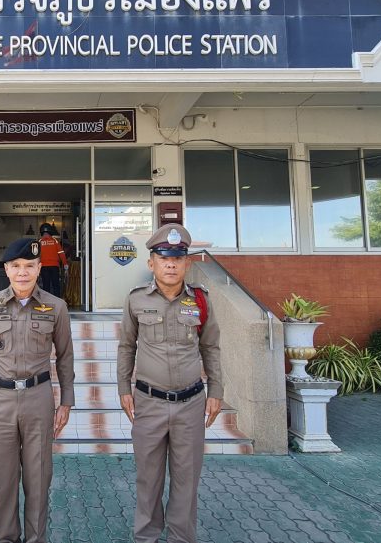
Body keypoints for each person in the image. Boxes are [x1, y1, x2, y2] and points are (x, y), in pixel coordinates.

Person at [117, 223, 223, 543]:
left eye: (177, 258)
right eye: (164, 258)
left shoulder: (200, 300)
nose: (171, 265)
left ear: (187, 263)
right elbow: (126, 346)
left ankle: (181, 538)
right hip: (149, 402)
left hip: (191, 404)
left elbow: (211, 347)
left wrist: (216, 390)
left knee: (186, 481)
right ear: (152, 263)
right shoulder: (136, 299)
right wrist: (123, 388)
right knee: (148, 480)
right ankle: (146, 537)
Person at [0, 237, 75, 543]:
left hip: (39, 397)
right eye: (16, 266)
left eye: (29, 266)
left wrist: (66, 400)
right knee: (3, 477)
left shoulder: (56, 307)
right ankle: (6, 537)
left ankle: (36, 538)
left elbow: (65, 356)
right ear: (6, 269)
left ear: (40, 268)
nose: (23, 272)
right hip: (0, 398)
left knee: (38, 477)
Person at [37, 223, 69, 298]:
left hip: (44, 267)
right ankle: (57, 301)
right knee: (56, 285)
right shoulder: (55, 241)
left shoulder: (39, 242)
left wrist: (36, 267)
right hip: (54, 266)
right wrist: (65, 264)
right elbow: (61, 253)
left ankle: (46, 301)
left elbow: (36, 256)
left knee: (46, 285)